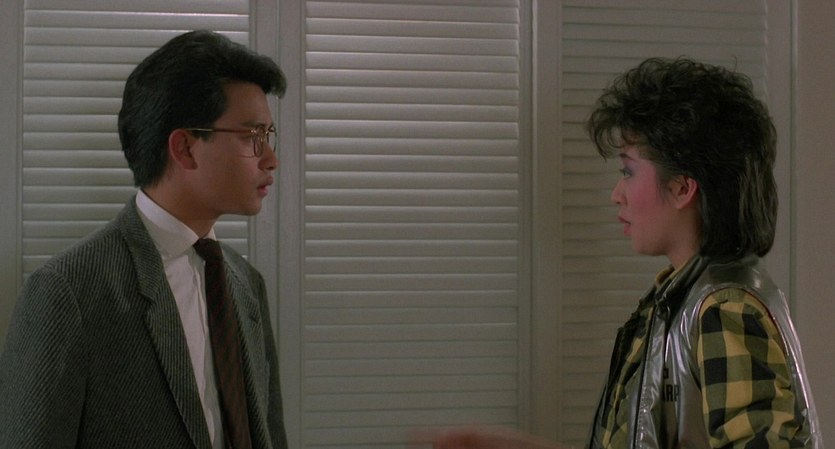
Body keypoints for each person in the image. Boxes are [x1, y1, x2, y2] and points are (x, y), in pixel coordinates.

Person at [431, 58, 822, 448]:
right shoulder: (672, 302)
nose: (616, 194)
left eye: (628, 172)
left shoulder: (725, 309)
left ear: (682, 188)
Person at [0, 30, 288, 449]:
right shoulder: (68, 291)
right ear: (185, 148)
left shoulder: (246, 284)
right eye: (251, 137)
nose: (271, 158)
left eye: (268, 135)